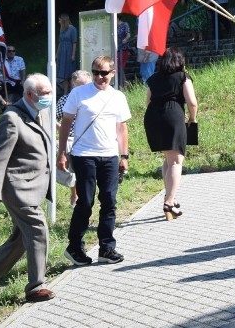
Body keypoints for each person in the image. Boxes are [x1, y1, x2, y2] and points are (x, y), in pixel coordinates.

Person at [0, 73, 56, 302]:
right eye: (45, 93)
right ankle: (36, 287)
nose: (49, 97)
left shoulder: (41, 111)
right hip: (18, 188)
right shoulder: (11, 118)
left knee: (21, 240)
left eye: (50, 91)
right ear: (29, 94)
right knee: (38, 230)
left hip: (35, 186)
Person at [58, 55, 131, 266]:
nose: (100, 77)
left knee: (109, 201)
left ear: (112, 74)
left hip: (109, 155)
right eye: (96, 73)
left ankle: (107, 248)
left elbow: (122, 128)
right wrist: (62, 152)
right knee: (86, 202)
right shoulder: (79, 93)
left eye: (104, 73)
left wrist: (124, 156)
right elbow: (66, 123)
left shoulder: (118, 97)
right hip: (84, 155)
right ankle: (75, 247)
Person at [144, 47, 198, 220]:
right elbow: (192, 102)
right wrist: (192, 118)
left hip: (153, 117)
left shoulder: (153, 79)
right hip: (173, 115)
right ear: (180, 61)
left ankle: (171, 198)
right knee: (176, 161)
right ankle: (169, 203)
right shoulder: (183, 77)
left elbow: (147, 101)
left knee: (168, 159)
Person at [57, 70, 92, 208]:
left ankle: (83, 196)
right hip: (71, 140)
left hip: (88, 140)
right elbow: (53, 117)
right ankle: (75, 194)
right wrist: (61, 129)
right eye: (80, 85)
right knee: (72, 174)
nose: (84, 89)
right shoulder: (65, 100)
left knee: (85, 172)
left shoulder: (93, 98)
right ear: (73, 85)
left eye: (86, 85)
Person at [56, 13, 78, 94]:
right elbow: (60, 42)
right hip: (62, 53)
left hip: (69, 52)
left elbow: (74, 42)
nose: (58, 21)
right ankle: (65, 93)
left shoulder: (72, 29)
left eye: (59, 19)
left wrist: (73, 55)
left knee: (70, 74)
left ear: (63, 20)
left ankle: (72, 92)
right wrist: (57, 54)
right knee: (64, 75)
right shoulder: (61, 29)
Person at [116, 19, 131, 87]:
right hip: (115, 49)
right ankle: (124, 82)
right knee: (118, 66)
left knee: (120, 66)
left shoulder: (124, 24)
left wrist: (125, 39)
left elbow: (128, 35)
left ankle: (125, 82)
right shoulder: (113, 25)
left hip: (123, 48)